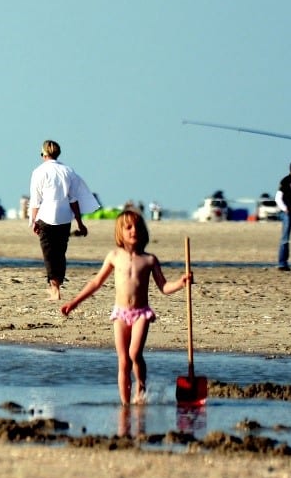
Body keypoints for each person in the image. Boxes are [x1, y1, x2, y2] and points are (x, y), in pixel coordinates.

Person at [60, 211, 193, 406]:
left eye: (137, 227)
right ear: (120, 233)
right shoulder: (114, 256)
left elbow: (164, 287)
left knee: (134, 354)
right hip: (121, 313)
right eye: (128, 227)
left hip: (141, 313)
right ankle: (125, 405)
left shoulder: (149, 259)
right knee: (123, 360)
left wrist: (181, 283)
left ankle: (140, 386)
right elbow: (96, 282)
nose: (133, 231)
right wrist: (75, 302)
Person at [28, 139, 99, 301]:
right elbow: (74, 200)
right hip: (64, 217)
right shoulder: (68, 171)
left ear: (44, 154)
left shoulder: (38, 172)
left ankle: (55, 290)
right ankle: (56, 285)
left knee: (49, 253)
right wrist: (80, 223)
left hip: (45, 217)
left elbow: (35, 201)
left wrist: (33, 221)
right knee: (60, 253)